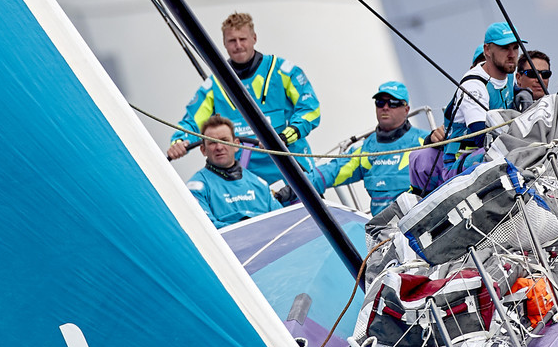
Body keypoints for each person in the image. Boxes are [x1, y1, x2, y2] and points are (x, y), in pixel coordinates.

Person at [167, 12, 320, 185]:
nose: (238, 45)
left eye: (243, 39)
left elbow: (310, 109)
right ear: (224, 43)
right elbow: (192, 123)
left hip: (294, 174)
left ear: (254, 38)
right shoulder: (214, 86)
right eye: (232, 41)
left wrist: (285, 137)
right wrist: (179, 142)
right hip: (247, 185)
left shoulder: (283, 71)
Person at [310, 81, 428, 212]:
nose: (385, 107)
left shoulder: (426, 142)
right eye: (380, 102)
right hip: (382, 230)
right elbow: (331, 171)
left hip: (421, 224)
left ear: (406, 110)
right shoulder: (365, 150)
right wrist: (295, 185)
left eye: (393, 103)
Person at [430, 22, 521, 143]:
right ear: (487, 50)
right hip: (466, 155)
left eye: (515, 47)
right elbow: (481, 138)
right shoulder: (473, 86)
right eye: (504, 48)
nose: (512, 55)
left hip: (501, 148)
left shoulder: (510, 74)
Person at [187, 115, 277, 228]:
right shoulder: (196, 189)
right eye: (212, 142)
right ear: (203, 150)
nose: (219, 147)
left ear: (236, 145)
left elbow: (282, 223)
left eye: (224, 140)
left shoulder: (260, 184)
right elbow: (205, 230)